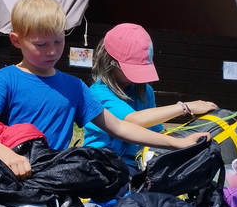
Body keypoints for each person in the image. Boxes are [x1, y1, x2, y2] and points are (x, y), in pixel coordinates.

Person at [0, 0, 207, 184]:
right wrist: (7, 155)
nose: (52, 51)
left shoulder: (74, 87)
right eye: (41, 44)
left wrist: (178, 143)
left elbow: (120, 127)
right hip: (9, 175)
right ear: (16, 40)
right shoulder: (6, 79)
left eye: (58, 41)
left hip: (53, 179)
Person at [83, 23, 217, 170]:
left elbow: (156, 131)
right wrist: (184, 107)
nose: (135, 77)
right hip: (103, 163)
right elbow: (134, 120)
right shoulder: (98, 93)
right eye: (130, 69)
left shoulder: (145, 91)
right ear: (109, 61)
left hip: (135, 162)